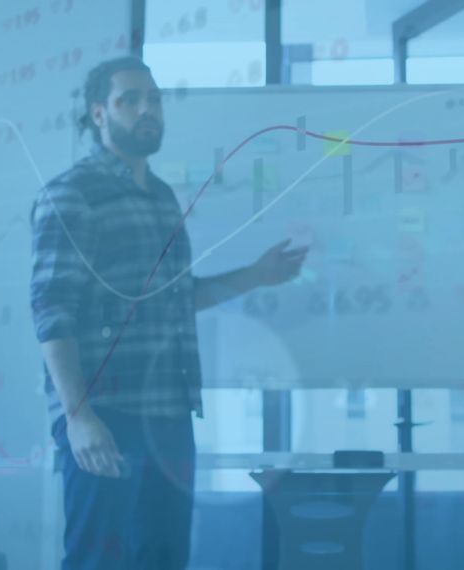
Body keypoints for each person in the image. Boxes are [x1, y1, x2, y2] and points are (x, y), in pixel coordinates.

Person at [29, 57, 307, 570]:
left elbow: (177, 297)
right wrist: (78, 416)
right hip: (106, 417)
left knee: (164, 559)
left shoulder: (159, 196)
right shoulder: (71, 194)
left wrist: (257, 274)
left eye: (153, 99)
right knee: (99, 560)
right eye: (129, 100)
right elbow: (51, 309)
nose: (146, 110)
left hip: (169, 417)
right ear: (98, 114)